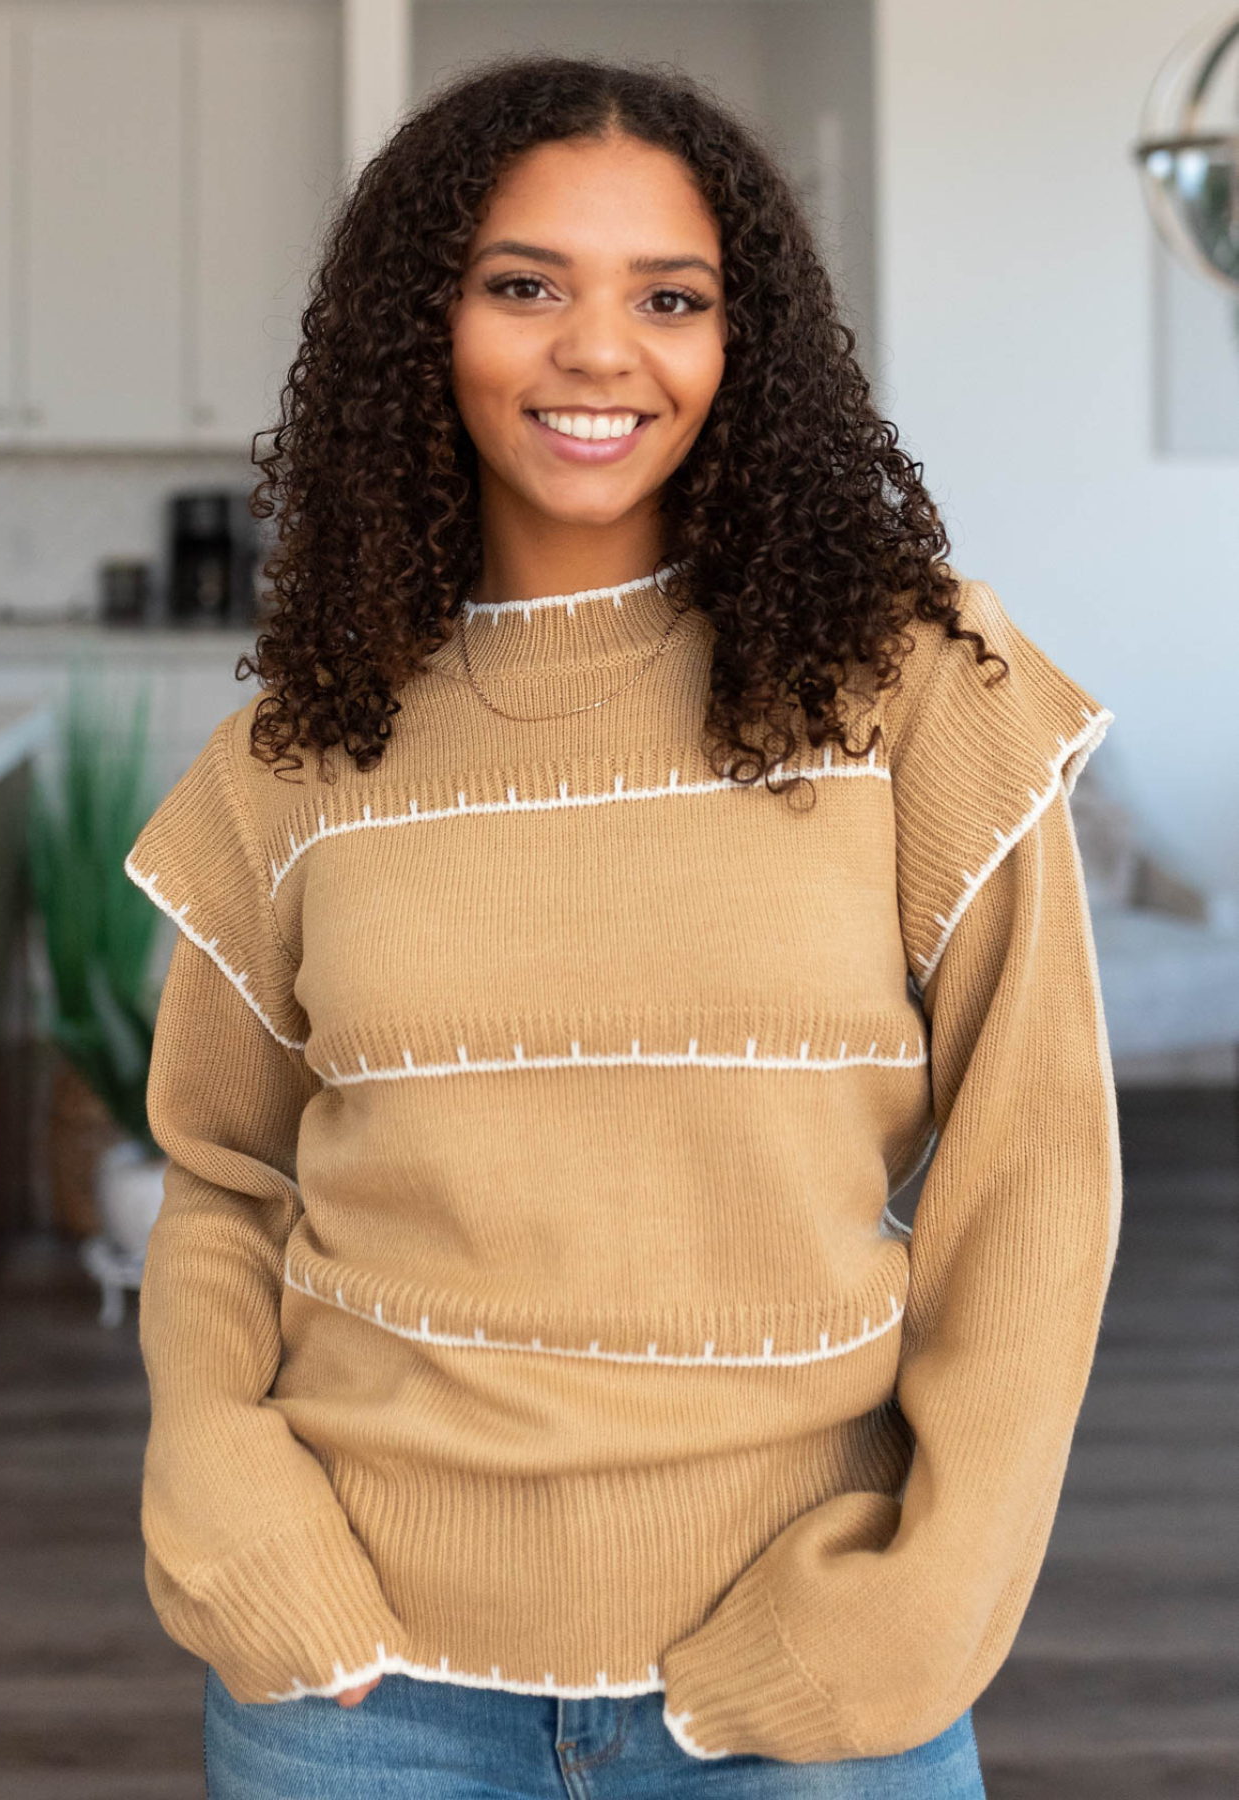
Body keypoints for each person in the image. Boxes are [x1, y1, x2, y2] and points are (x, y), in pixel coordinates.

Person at [124, 51, 1121, 1799]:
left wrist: (925, 1604)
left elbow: (1034, 1162)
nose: (602, 351)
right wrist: (227, 1489)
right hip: (363, 1692)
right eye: (525, 288)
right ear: (417, 332)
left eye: (671, 297)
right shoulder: (298, 751)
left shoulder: (903, 679)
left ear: (745, 346)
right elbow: (222, 1178)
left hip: (809, 1675)